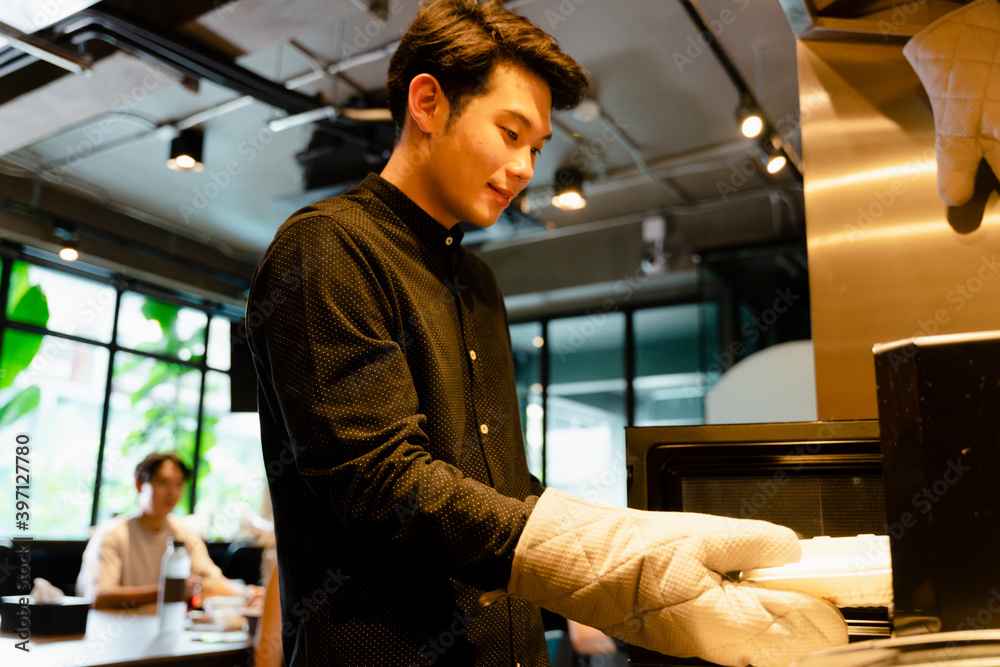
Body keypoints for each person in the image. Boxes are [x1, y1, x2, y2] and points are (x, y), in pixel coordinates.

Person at [245, 1, 846, 665]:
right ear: (427, 102)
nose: (528, 168)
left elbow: (501, 478)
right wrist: (608, 563)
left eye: (536, 147)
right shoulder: (329, 247)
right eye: (510, 133)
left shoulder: (476, 279)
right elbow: (384, 484)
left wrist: (633, 547)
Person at [76, 452, 242, 609]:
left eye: (178, 484)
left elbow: (212, 581)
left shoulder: (182, 533)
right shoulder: (112, 534)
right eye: (162, 482)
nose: (172, 493)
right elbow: (99, 596)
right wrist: (167, 590)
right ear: (139, 484)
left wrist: (250, 593)